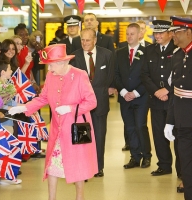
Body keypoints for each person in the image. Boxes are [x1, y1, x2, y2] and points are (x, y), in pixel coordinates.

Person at [8, 44, 98, 200]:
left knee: (78, 169)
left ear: (62, 62)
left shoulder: (79, 75)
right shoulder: (51, 76)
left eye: (50, 65)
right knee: (51, 166)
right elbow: (43, 98)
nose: (48, 69)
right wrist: (23, 107)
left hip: (75, 131)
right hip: (57, 131)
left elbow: (91, 102)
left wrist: (70, 108)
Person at [70, 28, 114, 177]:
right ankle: (83, 167)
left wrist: (102, 90)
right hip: (81, 104)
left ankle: (98, 167)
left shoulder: (107, 55)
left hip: (100, 102)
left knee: (100, 135)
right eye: (82, 39)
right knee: (83, 135)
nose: (84, 43)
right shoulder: (74, 56)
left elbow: (110, 76)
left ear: (95, 40)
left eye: (88, 40)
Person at [141, 20, 178, 177]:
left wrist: (167, 90)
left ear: (170, 33)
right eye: (156, 33)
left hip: (174, 99)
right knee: (158, 133)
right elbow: (144, 74)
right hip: (156, 99)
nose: (157, 35)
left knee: (177, 134)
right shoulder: (149, 50)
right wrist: (156, 91)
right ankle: (164, 165)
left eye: (161, 33)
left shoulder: (177, 49)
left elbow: (181, 74)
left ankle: (182, 170)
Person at [115, 23, 152, 169]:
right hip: (125, 97)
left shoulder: (147, 52)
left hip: (141, 96)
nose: (129, 36)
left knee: (140, 125)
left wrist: (136, 92)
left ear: (139, 35)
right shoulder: (119, 53)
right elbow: (116, 74)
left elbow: (149, 76)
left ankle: (146, 156)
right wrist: (123, 92)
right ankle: (135, 157)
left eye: (132, 34)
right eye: (127, 34)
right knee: (129, 127)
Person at [164, 16, 192, 200]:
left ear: (189, 32)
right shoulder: (177, 55)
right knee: (186, 166)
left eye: (177, 32)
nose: (173, 36)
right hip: (182, 121)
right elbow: (175, 91)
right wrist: (170, 121)